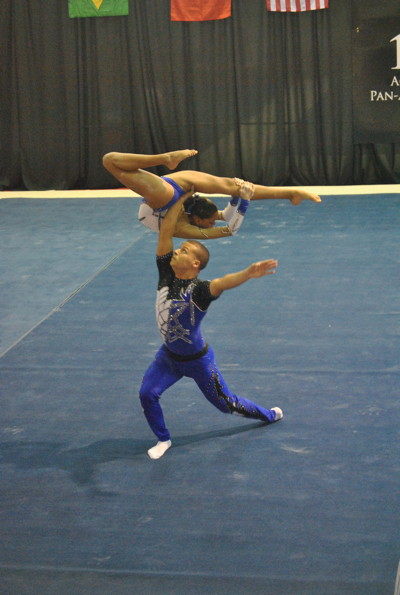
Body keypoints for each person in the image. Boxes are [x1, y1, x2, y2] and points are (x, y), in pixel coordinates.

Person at [139, 192, 283, 460]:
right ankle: (163, 439)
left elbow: (222, 282)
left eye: (183, 251)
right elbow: (165, 233)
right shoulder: (166, 275)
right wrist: (178, 199)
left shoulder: (200, 291)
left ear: (195, 264)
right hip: (168, 358)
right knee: (147, 393)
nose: (176, 250)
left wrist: (247, 274)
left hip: (198, 362)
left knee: (226, 405)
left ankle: (269, 415)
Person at [102, 149, 321, 240]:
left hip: (160, 205)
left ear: (197, 219)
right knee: (233, 186)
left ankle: (166, 158)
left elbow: (227, 224)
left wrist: (241, 199)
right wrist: (239, 197)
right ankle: (291, 192)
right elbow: (228, 222)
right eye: (211, 222)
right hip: (170, 196)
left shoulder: (186, 225)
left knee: (110, 161)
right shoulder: (190, 223)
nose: (212, 224)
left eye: (209, 222)